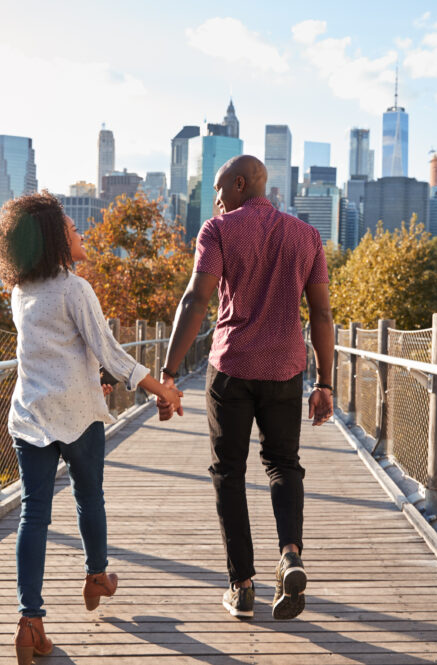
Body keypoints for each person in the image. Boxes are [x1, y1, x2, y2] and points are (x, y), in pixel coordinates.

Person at [0, 192, 183, 664]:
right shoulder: (74, 288)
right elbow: (111, 351)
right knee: (88, 497)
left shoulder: (21, 292)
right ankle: (97, 575)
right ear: (56, 239)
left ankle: (30, 620)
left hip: (31, 416)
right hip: (77, 417)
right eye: (74, 230)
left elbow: (52, 353)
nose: (82, 235)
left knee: (33, 516)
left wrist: (93, 375)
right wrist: (162, 390)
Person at [157, 155, 335, 621]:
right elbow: (321, 314)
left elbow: (197, 299)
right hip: (285, 369)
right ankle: (291, 554)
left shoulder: (217, 231)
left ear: (240, 184)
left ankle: (242, 585)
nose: (215, 200)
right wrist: (325, 382)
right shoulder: (308, 236)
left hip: (232, 367)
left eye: (219, 190)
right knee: (283, 465)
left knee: (228, 473)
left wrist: (169, 373)